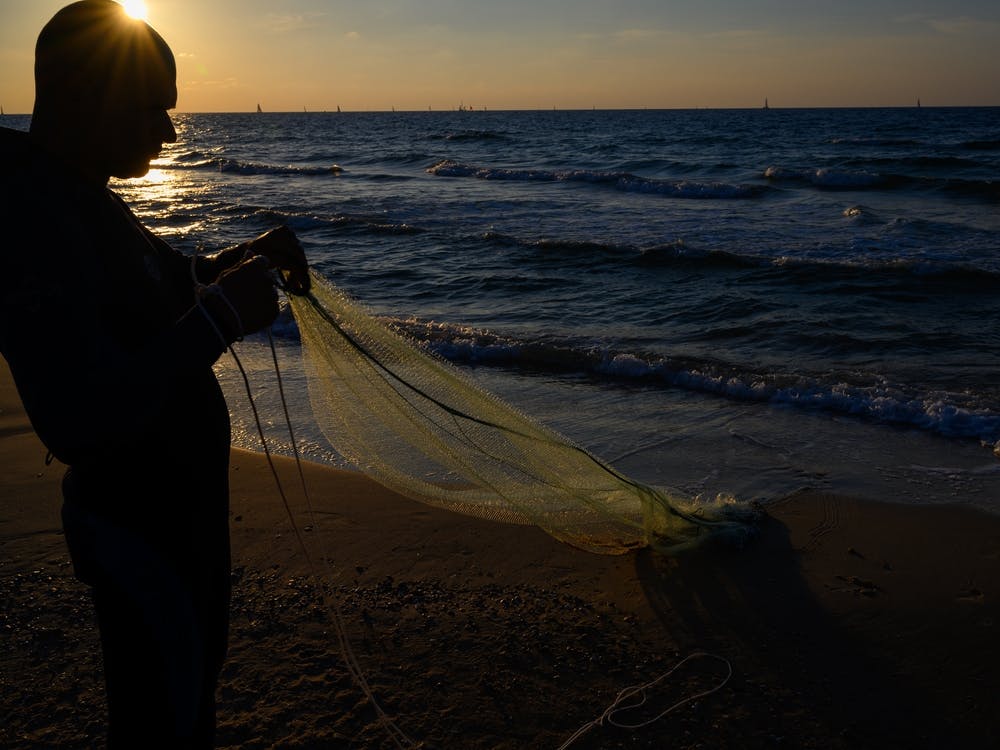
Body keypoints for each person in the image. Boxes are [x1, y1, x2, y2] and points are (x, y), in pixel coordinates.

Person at [0, 2, 310, 746]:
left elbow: (163, 283)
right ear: (90, 97)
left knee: (188, 707)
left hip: (180, 527)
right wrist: (220, 319)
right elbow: (77, 416)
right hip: (138, 534)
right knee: (161, 724)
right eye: (152, 110)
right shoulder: (28, 217)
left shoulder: (82, 195)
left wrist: (240, 261)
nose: (170, 134)